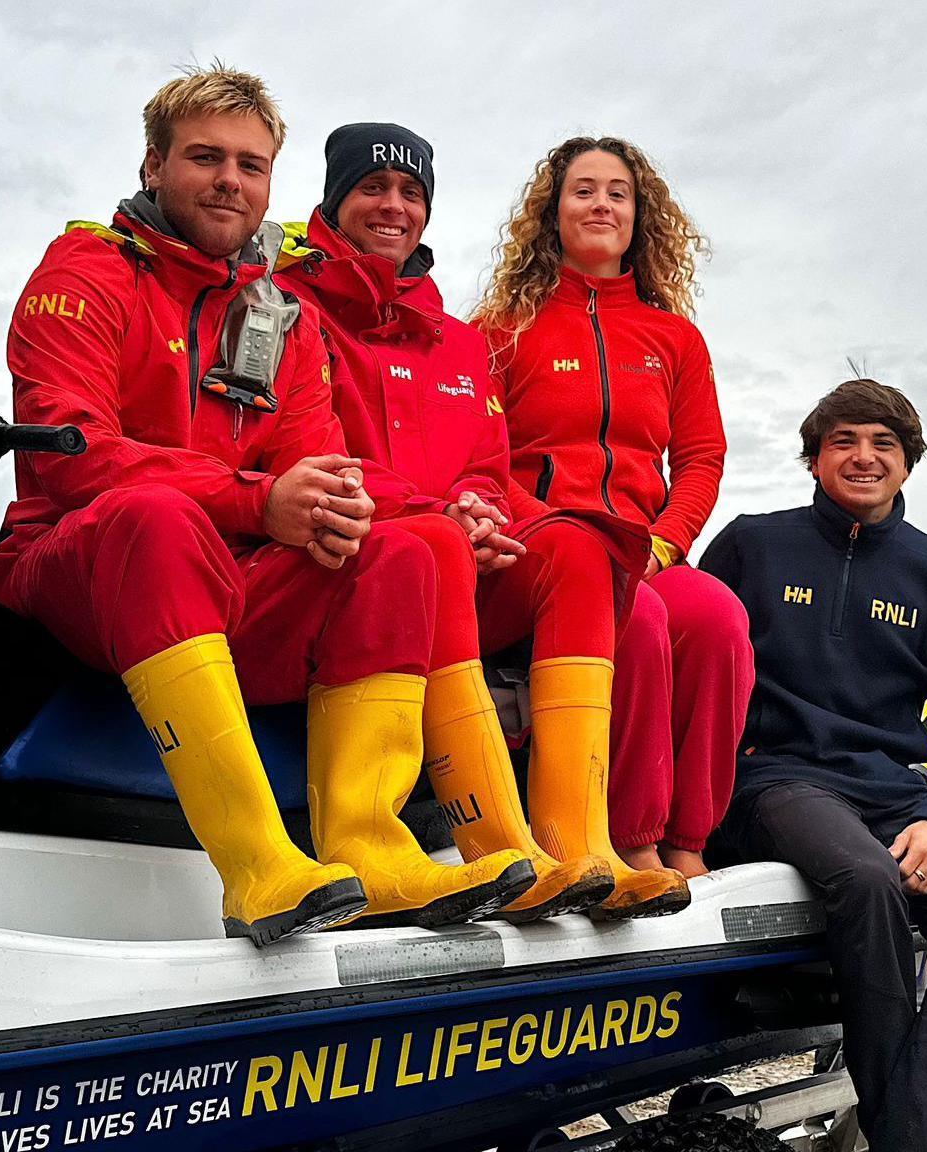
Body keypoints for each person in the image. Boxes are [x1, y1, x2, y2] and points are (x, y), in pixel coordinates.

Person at [0, 67, 533, 946]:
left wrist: (381, 510)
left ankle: (370, 851)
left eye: (251, 163)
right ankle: (256, 869)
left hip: (227, 586)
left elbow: (313, 465)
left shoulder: (278, 311)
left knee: (413, 547)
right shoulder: (84, 271)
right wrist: (260, 500)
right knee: (155, 516)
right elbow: (70, 458)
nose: (230, 180)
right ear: (154, 165)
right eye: (205, 157)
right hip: (79, 575)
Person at [278, 123, 687, 920]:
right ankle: (497, 847)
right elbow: (311, 452)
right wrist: (447, 515)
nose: (393, 206)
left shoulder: (459, 341)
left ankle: (580, 846)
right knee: (429, 546)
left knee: (575, 547)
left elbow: (489, 467)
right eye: (372, 187)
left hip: (459, 558)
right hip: (361, 561)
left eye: (411, 194)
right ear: (334, 197)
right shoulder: (292, 309)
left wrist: (489, 514)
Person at [698, 380, 927, 1152]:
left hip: (895, 794)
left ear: (908, 462)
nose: (863, 457)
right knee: (869, 881)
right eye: (843, 441)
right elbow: (695, 670)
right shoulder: (752, 544)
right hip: (773, 778)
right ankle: (907, 1135)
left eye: (884, 443)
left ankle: (922, 1137)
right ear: (814, 458)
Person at [472, 136, 753, 879]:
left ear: (639, 217)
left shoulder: (675, 339)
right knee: (643, 619)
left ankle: (690, 843)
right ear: (552, 213)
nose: (601, 204)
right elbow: (480, 457)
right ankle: (629, 840)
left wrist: (664, 542)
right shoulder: (501, 330)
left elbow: (700, 458)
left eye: (617, 193)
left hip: (648, 549)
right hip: (544, 553)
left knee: (719, 618)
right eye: (584, 190)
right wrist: (546, 530)